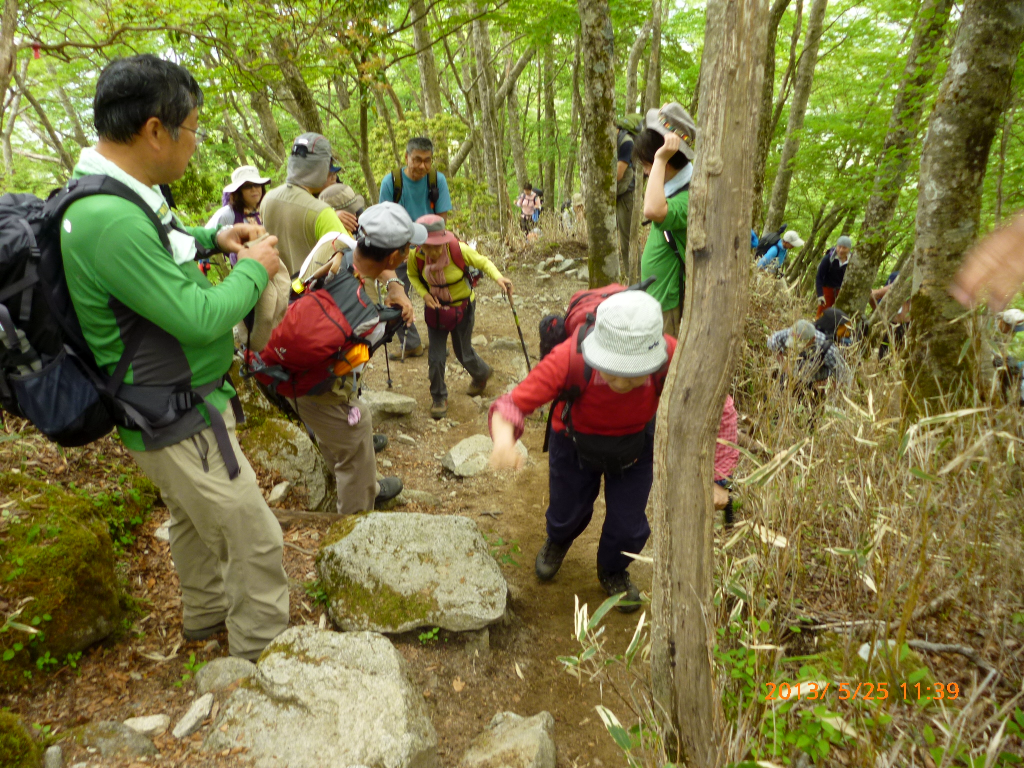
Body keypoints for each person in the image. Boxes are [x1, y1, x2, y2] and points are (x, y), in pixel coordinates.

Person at [60, 55, 288, 660]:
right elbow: (200, 315)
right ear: (155, 130)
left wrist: (215, 238)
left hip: (172, 402)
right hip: (173, 415)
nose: (196, 141)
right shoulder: (108, 220)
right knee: (253, 532)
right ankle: (263, 656)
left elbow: (166, 241)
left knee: (190, 521)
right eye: (192, 128)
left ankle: (205, 616)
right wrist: (252, 269)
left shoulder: (121, 193)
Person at [487, 291, 739, 612]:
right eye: (612, 370)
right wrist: (504, 438)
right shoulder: (569, 358)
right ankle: (560, 538)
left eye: (633, 373)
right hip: (574, 442)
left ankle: (613, 569)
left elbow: (721, 406)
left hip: (635, 446)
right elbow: (513, 403)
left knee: (628, 523)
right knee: (566, 512)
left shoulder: (672, 355)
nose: (621, 383)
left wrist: (720, 477)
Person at [280, 203, 426, 514]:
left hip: (285, 368)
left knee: (330, 435)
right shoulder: (366, 315)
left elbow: (372, 263)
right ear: (394, 257)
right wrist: (389, 321)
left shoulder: (332, 244)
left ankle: (344, 474)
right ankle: (356, 516)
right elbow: (352, 367)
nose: (409, 252)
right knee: (357, 431)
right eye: (407, 248)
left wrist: (394, 286)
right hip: (321, 390)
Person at [408, 215, 512, 419]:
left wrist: (499, 278)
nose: (434, 251)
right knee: (436, 357)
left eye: (437, 246)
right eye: (428, 246)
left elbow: (483, 262)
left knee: (462, 351)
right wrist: (425, 294)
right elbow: (412, 276)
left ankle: (481, 374)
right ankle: (438, 397)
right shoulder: (417, 256)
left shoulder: (458, 250)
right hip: (436, 310)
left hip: (463, 307)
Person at [379, 137, 453, 360]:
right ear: (406, 158)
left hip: (430, 247)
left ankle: (439, 342)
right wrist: (397, 250)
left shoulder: (436, 180)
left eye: (427, 160)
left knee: (439, 294)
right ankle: (411, 344)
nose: (423, 166)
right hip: (401, 249)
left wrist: (432, 248)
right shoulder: (392, 182)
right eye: (417, 160)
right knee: (397, 294)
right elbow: (386, 218)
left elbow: (441, 218)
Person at [633, 102, 697, 337]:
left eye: (648, 165)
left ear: (668, 160)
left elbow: (652, 210)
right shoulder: (671, 187)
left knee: (661, 366)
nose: (646, 172)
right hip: (656, 297)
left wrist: (659, 160)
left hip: (667, 305)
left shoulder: (691, 196)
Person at [259, 133, 351, 277]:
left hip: (277, 293)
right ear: (320, 167)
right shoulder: (321, 211)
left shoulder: (268, 198)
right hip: (311, 295)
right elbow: (351, 260)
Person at [767, 319, 852, 388]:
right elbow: (772, 341)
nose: (796, 348)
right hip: (791, 376)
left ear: (812, 339)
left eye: (800, 345)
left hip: (814, 383)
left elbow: (843, 375)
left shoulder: (827, 349)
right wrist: (784, 365)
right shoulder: (792, 333)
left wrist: (833, 392)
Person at [206, 165, 271, 231]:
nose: (254, 189)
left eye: (257, 184)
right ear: (238, 191)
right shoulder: (227, 214)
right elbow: (207, 237)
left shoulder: (266, 211)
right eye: (247, 186)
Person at [615, 120, 637, 262]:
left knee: (628, 240)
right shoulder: (614, 142)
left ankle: (636, 277)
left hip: (627, 195)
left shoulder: (626, 142)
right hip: (617, 194)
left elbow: (618, 174)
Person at [815, 235, 852, 318]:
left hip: (843, 291)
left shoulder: (852, 261)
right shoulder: (828, 259)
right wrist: (820, 295)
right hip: (827, 290)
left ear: (849, 249)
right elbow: (819, 277)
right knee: (822, 314)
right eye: (839, 247)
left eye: (844, 248)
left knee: (839, 316)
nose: (841, 250)